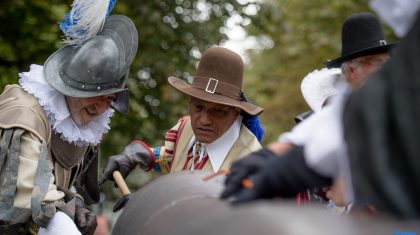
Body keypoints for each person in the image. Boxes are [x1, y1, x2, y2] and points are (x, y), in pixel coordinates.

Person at [220, 12, 396, 208]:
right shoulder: (350, 107)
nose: (388, 70)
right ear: (352, 71)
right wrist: (264, 158)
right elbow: (312, 135)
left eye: (388, 62)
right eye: (378, 63)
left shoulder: (401, 99)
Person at [0, 0, 138, 233]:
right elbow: (29, 196)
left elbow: (62, 183)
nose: (103, 108)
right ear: (70, 87)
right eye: (95, 95)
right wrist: (68, 212)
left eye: (110, 98)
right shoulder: (25, 116)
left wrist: (75, 202)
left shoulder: (81, 122)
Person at [99, 47, 264, 187]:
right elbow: (174, 158)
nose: (204, 120)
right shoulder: (185, 128)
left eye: (218, 111)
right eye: (198, 107)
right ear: (189, 102)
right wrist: (141, 155)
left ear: (236, 113)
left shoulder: (250, 164)